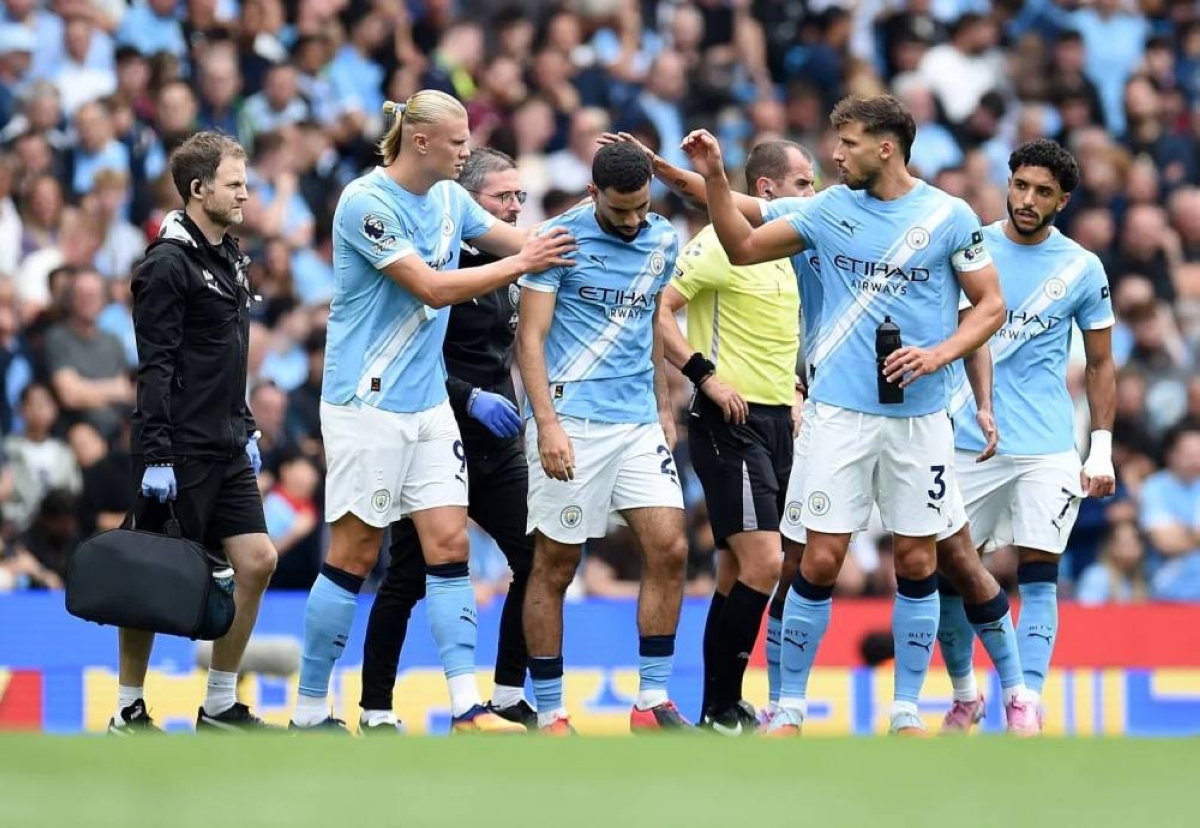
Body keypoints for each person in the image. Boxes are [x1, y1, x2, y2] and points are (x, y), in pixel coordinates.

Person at [688, 93, 1007, 736]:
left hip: (920, 417)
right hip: (837, 414)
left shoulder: (949, 216)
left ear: (885, 149)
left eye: (849, 143)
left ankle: (907, 710)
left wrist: (938, 355)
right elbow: (743, 246)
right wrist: (715, 177)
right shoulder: (830, 208)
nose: (836, 155)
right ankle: (791, 708)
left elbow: (991, 305)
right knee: (818, 559)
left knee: (916, 560)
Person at [289, 91, 574, 733]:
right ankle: (309, 710)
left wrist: (597, 222)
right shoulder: (365, 203)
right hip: (367, 403)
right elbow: (433, 287)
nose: (467, 151)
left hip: (427, 406)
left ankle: (467, 708)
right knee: (356, 554)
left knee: (449, 548)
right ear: (420, 142)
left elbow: (523, 240)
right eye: (458, 141)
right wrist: (522, 263)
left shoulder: (449, 198)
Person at [936, 138, 1116, 732]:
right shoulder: (970, 248)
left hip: (1046, 448)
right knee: (949, 574)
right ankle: (965, 694)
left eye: (1043, 192)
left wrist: (1101, 448)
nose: (1027, 200)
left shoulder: (1082, 267)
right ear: (1007, 183)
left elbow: (1100, 364)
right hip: (967, 440)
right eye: (1020, 186)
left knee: (1040, 576)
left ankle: (1026, 703)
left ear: (1062, 201)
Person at [358, 147, 537, 734]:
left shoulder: (512, 264)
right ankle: (376, 709)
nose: (514, 207)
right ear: (467, 202)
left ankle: (508, 694)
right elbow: (409, 354)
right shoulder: (434, 260)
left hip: (498, 445)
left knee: (537, 558)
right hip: (435, 436)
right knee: (406, 579)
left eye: (519, 196)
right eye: (502, 197)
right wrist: (468, 397)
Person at [517, 142, 687, 734]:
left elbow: (652, 325)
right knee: (557, 562)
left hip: (637, 421)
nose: (634, 221)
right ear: (593, 194)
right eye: (620, 211)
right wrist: (547, 425)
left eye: (642, 207)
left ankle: (652, 702)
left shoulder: (663, 239)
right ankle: (550, 711)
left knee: (670, 547)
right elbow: (530, 340)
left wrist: (663, 407)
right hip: (573, 421)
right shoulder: (556, 241)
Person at [118, 130, 279, 733]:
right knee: (149, 578)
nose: (245, 193)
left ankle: (217, 704)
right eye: (234, 184)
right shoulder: (166, 265)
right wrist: (156, 455)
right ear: (198, 189)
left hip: (227, 443)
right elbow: (155, 367)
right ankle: (128, 708)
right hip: (178, 448)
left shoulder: (230, 255)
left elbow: (228, 358)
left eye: (245, 183)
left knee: (257, 561)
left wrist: (246, 425)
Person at [655, 139, 815, 733]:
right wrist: (704, 376)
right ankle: (723, 705)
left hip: (778, 422)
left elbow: (781, 336)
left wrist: (795, 388)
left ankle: (718, 708)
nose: (814, 194)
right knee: (765, 562)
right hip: (729, 421)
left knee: (735, 573)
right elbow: (659, 309)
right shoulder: (717, 241)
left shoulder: (794, 248)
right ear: (767, 189)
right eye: (803, 184)